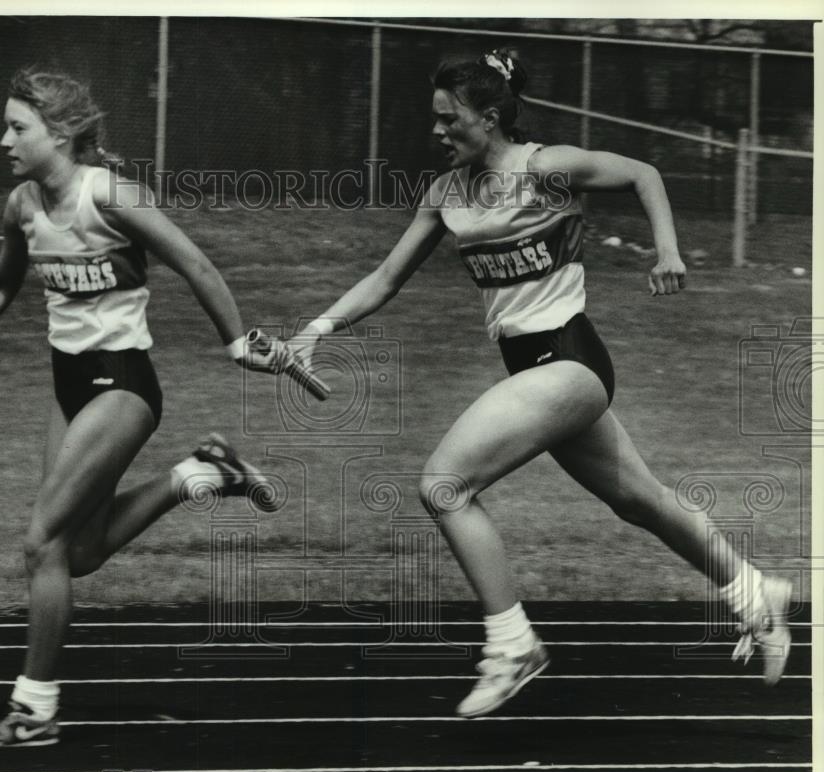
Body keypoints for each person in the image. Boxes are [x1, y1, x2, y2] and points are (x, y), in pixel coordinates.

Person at [288, 51, 792, 718]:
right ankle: (756, 591)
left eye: (450, 118)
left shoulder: (544, 167)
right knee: (641, 499)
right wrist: (316, 329)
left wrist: (670, 250)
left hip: (572, 360)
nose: (437, 131)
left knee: (444, 484)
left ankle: (513, 643)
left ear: (488, 116)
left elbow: (642, 172)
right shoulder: (446, 195)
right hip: (533, 370)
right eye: (434, 119)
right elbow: (384, 280)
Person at [0, 68, 288, 747]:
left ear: (60, 133)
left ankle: (34, 709)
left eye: (17, 127)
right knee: (75, 552)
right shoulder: (23, 204)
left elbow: (197, 264)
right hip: (69, 385)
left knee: (40, 541)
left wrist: (237, 344)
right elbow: (2, 283)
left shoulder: (108, 194)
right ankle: (202, 474)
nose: (4, 140)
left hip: (123, 386)